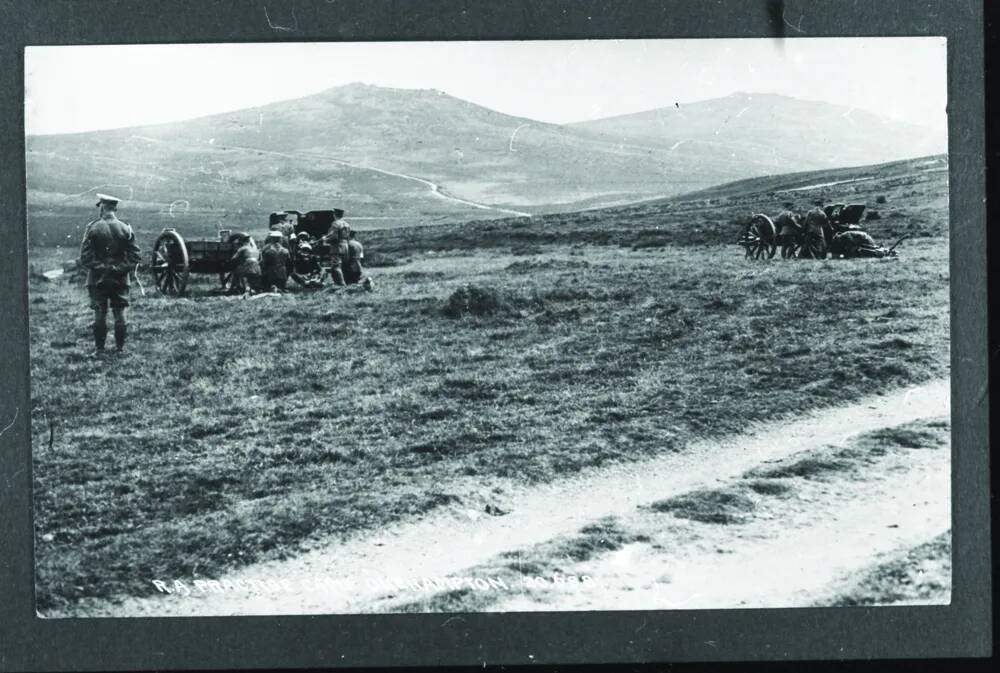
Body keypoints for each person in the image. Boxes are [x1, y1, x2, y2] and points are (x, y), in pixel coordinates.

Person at [79, 193, 142, 355]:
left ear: (102, 207)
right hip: (120, 279)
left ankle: (100, 350)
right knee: (120, 314)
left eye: (100, 206)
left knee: (99, 313)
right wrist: (117, 270)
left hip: (97, 279)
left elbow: (85, 257)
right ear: (115, 208)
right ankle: (120, 349)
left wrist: (102, 269)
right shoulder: (125, 227)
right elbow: (135, 256)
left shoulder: (92, 227)